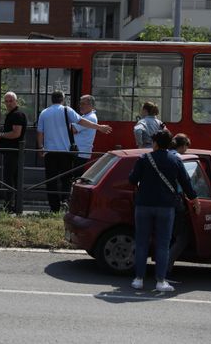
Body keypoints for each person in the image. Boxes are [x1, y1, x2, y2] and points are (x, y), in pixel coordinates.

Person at [129, 129, 200, 292]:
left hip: (143, 205)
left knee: (141, 242)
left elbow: (132, 179)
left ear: (154, 143)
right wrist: (195, 200)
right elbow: (186, 183)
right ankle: (160, 281)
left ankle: (138, 279)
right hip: (166, 207)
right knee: (163, 244)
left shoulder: (144, 159)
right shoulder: (175, 161)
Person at [36, 90, 112, 212]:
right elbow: (81, 122)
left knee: (51, 180)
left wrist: (40, 147)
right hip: (66, 152)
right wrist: (99, 127)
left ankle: (54, 208)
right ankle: (65, 201)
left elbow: (40, 132)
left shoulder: (44, 113)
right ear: (63, 99)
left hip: (50, 152)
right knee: (66, 179)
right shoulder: (67, 110)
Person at [0, 91, 27, 211]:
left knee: (9, 179)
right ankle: (13, 205)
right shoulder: (12, 114)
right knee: (12, 179)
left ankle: (9, 206)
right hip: (12, 151)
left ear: (16, 101)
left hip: (14, 152)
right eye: (6, 101)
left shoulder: (17, 115)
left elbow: (16, 133)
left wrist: (1, 135)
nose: (8, 103)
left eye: (11, 101)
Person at [168, 133, 192, 273]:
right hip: (175, 200)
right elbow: (185, 181)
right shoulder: (177, 158)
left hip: (163, 199)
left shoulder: (166, 154)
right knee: (182, 237)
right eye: (186, 148)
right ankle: (166, 269)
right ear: (182, 146)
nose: (186, 151)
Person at [71, 94, 98, 179]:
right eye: (80, 104)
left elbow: (73, 130)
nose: (80, 106)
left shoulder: (90, 117)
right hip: (78, 151)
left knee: (76, 176)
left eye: (83, 104)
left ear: (90, 105)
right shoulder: (85, 116)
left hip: (81, 152)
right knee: (74, 176)